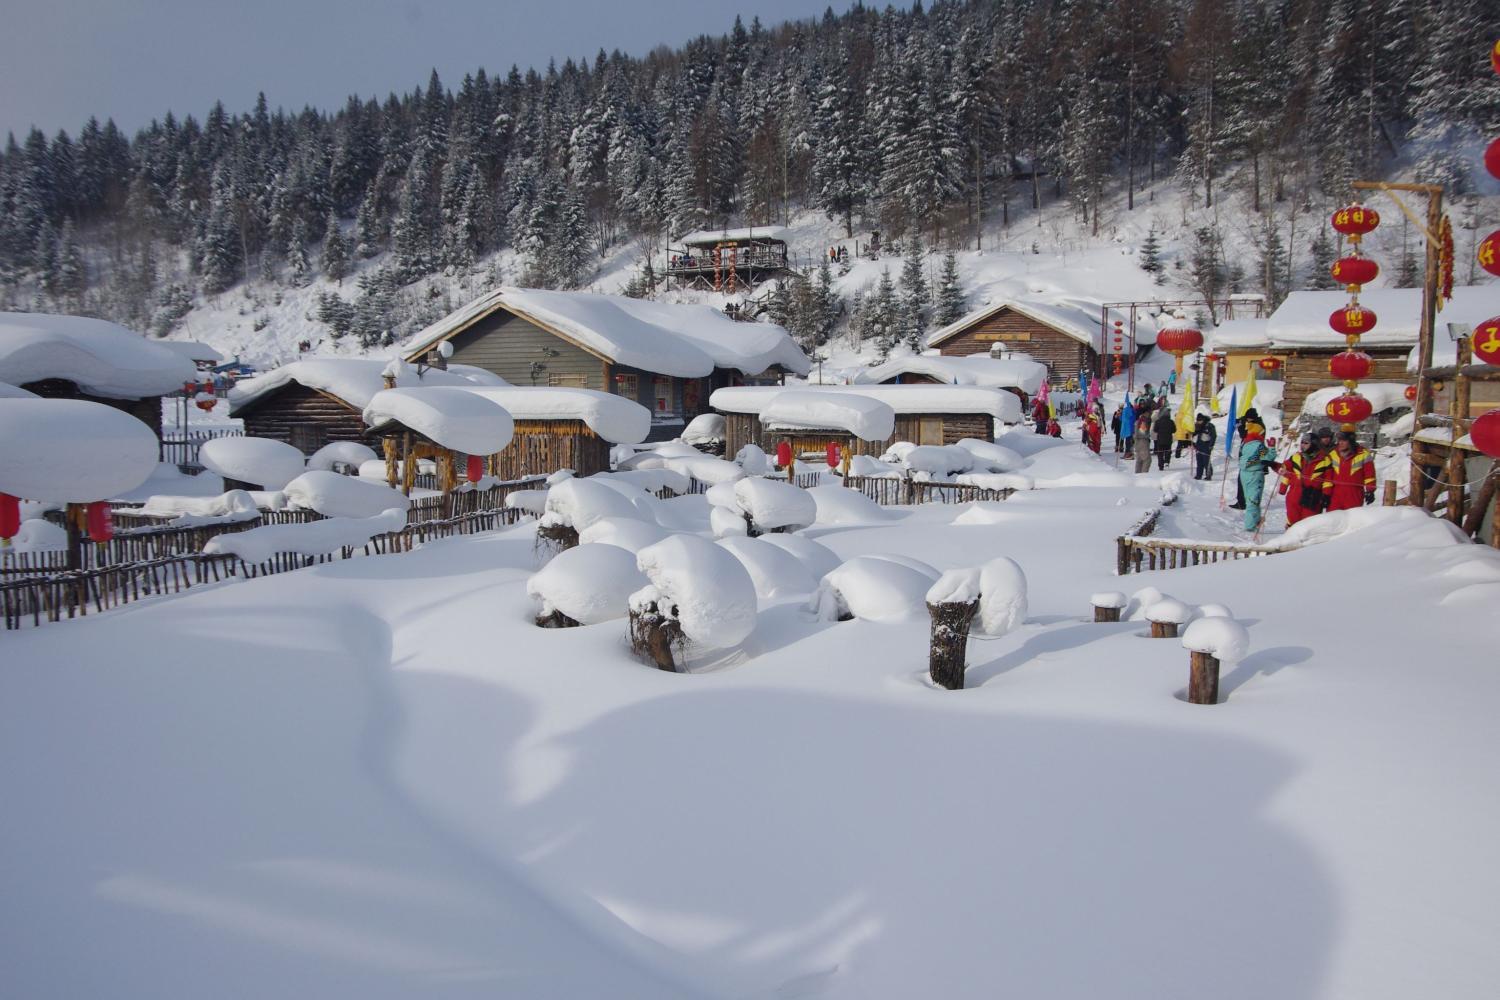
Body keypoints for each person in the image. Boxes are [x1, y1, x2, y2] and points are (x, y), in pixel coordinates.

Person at [1278, 433, 1333, 525]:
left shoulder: (1325, 460)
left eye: (1306, 443)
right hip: (1294, 497)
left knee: (1308, 525)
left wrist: (1326, 495)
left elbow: (1328, 480)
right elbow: (1286, 471)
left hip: (1312, 498)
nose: (1302, 445)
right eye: (1302, 442)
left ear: (1314, 444)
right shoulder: (1296, 457)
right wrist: (1282, 488)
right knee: (1292, 523)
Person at [1238, 425, 1279, 531]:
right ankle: (1251, 526)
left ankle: (1253, 521)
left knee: (1249, 499)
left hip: (1244, 474)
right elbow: (1268, 457)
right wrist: (1272, 448)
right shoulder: (1258, 445)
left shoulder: (1245, 444)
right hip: (1255, 474)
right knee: (1254, 501)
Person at [1325, 430, 1377, 510]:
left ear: (1351, 441)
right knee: (1333, 520)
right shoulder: (1333, 454)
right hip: (1335, 495)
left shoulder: (1363, 454)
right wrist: (1326, 493)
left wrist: (1370, 491)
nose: (1340, 443)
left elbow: (1369, 474)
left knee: (1351, 520)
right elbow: (1327, 476)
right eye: (1339, 440)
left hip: (1354, 494)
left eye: (1344, 440)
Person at [1191, 414, 1217, 480]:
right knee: (1199, 462)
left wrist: (1211, 445)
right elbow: (1194, 434)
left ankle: (1208, 475)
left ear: (1203, 420)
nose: (1198, 422)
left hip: (1206, 446)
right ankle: (1198, 475)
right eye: (1197, 421)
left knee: (1206, 462)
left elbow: (1213, 436)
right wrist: (1193, 443)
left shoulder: (1209, 426)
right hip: (1199, 445)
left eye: (1199, 421)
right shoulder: (1197, 425)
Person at [1152, 406, 1176, 470]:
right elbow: (1174, 430)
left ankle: (1160, 465)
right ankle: (1167, 461)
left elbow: (1155, 430)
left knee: (1160, 453)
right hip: (1168, 439)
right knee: (1168, 451)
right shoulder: (1171, 421)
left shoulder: (1158, 421)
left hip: (1160, 439)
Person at [1132, 406, 1153, 473]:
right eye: (1149, 412)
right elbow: (1142, 433)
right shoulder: (1143, 421)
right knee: (1147, 460)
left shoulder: (1139, 420)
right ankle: (1143, 476)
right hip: (1142, 442)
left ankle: (1138, 475)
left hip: (1138, 443)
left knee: (1140, 460)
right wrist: (1148, 436)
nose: (1150, 414)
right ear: (1145, 413)